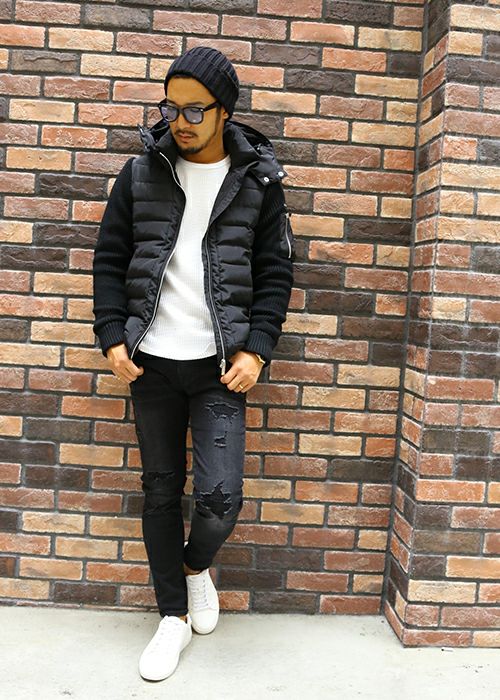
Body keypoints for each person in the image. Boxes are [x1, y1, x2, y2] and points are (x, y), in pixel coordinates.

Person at [92, 45, 295, 682]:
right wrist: (111, 336)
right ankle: (172, 618)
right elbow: (109, 260)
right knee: (160, 491)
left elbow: (276, 274)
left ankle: (193, 566)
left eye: (194, 110)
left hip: (218, 366)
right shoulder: (140, 173)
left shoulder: (258, 181)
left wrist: (257, 348)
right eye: (170, 107)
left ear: (223, 110)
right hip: (150, 362)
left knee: (219, 500)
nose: (179, 121)